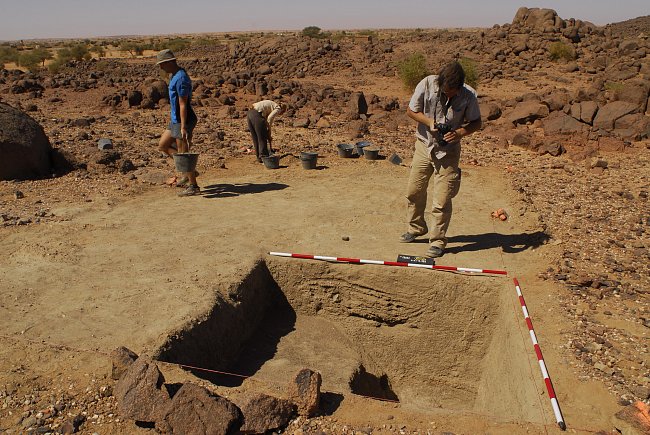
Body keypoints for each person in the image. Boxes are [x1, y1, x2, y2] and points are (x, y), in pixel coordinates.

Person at [400, 61, 482, 258]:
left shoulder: (468, 95)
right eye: (446, 91)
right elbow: (411, 110)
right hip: (424, 145)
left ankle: (437, 240)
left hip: (449, 152)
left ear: (461, 86)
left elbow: (476, 122)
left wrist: (460, 132)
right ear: (440, 82)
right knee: (414, 191)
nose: (450, 95)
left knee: (442, 199)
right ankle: (416, 227)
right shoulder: (427, 84)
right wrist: (430, 122)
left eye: (454, 92)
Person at [156, 49, 200, 197]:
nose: (161, 67)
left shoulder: (181, 78)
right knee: (163, 145)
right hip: (175, 119)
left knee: (183, 152)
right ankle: (189, 172)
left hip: (183, 120)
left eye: (162, 64)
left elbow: (183, 104)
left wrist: (183, 127)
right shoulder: (174, 75)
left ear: (169, 62)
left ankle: (193, 185)